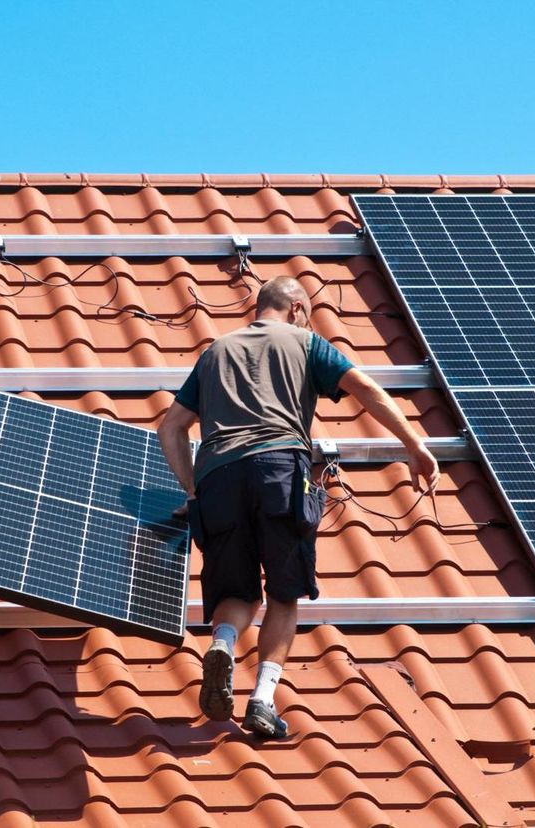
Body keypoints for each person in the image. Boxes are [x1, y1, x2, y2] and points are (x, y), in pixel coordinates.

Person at [157, 276, 439, 738]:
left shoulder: (214, 353)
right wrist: (413, 444)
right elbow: (365, 388)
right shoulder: (306, 342)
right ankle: (263, 700)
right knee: (284, 593)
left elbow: (171, 429)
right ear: (294, 307)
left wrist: (193, 492)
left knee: (236, 590)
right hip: (279, 470)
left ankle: (224, 644)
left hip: (218, 478)